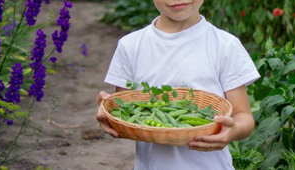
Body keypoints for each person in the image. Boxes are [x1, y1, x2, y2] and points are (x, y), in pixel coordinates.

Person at [95, 0, 260, 169]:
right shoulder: (130, 46)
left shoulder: (225, 45)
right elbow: (125, 114)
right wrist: (109, 112)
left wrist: (234, 131)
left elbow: (243, 116)